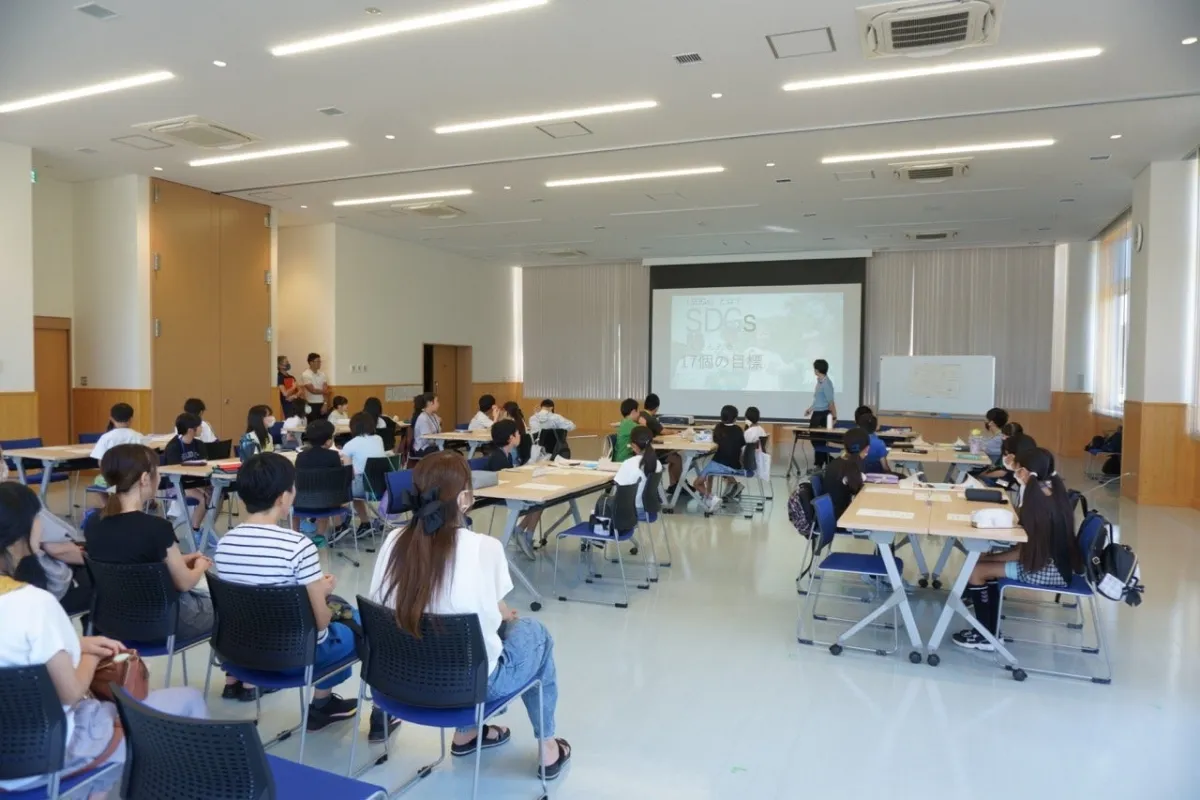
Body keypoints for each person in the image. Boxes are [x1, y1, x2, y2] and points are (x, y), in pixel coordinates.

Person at [368, 451, 570, 779]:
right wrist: (505, 617)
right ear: (464, 499)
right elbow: (498, 613)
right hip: (466, 686)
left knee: (457, 632)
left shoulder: (393, 539)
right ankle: (548, 749)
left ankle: (468, 734)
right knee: (535, 635)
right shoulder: (484, 547)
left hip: (395, 679)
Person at [0, 481, 208, 794]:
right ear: (22, 532)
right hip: (44, 757)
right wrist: (89, 655)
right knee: (188, 700)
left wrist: (77, 644)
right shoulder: (34, 603)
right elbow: (71, 694)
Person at [213, 453, 395, 741]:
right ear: (283, 497)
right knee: (367, 623)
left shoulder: (225, 543)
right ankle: (374, 713)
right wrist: (321, 592)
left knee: (340, 618)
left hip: (242, 651)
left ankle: (325, 704)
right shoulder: (298, 546)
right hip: (298, 655)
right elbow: (320, 623)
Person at [84, 445, 221, 665]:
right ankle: (237, 677)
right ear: (145, 479)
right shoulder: (157, 528)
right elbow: (184, 582)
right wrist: (200, 566)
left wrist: (180, 560)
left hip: (112, 620)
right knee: (229, 606)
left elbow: (130, 561)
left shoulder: (93, 523)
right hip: (166, 622)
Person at [953, 447, 1082, 651]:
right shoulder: (1050, 489)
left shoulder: (1038, 501)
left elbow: (1023, 552)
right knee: (981, 562)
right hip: (1054, 564)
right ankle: (991, 630)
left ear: (1026, 472)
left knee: (976, 570)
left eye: (1019, 469)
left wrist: (989, 560)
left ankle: (985, 637)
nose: (1015, 473)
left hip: (1047, 570)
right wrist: (990, 559)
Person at [484, 420, 540, 560]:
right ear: (510, 438)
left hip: (508, 489)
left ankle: (523, 533)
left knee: (540, 501)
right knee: (538, 501)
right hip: (500, 493)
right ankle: (522, 533)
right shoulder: (498, 458)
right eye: (517, 433)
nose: (520, 435)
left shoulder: (507, 454)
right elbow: (506, 480)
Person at [294, 419, 348, 539]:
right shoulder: (333, 456)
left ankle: (296, 535)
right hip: (327, 502)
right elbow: (337, 480)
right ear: (329, 441)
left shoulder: (301, 456)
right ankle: (320, 536)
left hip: (302, 502)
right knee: (326, 493)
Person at [162, 412, 211, 530]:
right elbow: (175, 471)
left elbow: (205, 464)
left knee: (219, 494)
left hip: (195, 482)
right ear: (190, 430)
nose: (201, 428)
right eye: (199, 426)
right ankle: (195, 529)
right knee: (205, 498)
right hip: (177, 484)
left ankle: (207, 527)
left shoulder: (199, 444)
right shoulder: (173, 446)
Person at [695, 405, 747, 512]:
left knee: (697, 483)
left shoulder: (719, 429)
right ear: (735, 418)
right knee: (711, 466)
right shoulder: (738, 430)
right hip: (736, 466)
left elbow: (715, 442)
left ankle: (711, 498)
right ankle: (710, 495)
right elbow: (741, 447)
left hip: (722, 466)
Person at [342, 412, 386, 533]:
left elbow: (348, 472)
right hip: (382, 486)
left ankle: (361, 522)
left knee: (345, 487)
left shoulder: (349, 445)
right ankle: (366, 522)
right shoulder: (379, 439)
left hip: (363, 489)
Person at [821, 427, 869, 519]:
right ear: (867, 449)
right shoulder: (852, 466)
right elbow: (859, 495)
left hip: (830, 514)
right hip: (842, 517)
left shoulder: (836, 462)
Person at [614, 426, 663, 510]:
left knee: (601, 506)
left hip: (631, 510)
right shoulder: (657, 463)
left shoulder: (629, 463)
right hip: (649, 509)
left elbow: (619, 489)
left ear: (633, 446)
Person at [803, 359, 838, 468]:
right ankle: (828, 461)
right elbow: (817, 400)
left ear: (817, 370)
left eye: (815, 368)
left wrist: (834, 417)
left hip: (823, 415)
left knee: (818, 440)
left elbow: (831, 402)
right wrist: (810, 409)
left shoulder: (827, 383)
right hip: (816, 413)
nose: (814, 370)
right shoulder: (819, 381)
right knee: (814, 439)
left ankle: (820, 463)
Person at [300, 353, 332, 423]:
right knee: (313, 424)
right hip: (311, 404)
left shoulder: (322, 374)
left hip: (323, 403)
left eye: (320, 361)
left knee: (323, 424)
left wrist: (325, 403)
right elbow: (313, 390)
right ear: (311, 362)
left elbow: (325, 389)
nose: (320, 363)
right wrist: (324, 391)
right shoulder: (305, 374)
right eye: (318, 361)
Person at [411, 393, 442, 459]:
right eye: (437, 401)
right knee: (444, 453)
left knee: (451, 451)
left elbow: (438, 432)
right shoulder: (423, 418)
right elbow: (427, 439)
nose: (438, 404)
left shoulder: (434, 416)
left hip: (433, 445)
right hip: (423, 448)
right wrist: (439, 442)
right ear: (430, 403)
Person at [277, 355, 303, 419]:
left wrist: (295, 396)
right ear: (279, 365)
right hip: (286, 405)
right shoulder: (279, 377)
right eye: (286, 362)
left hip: (295, 403)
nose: (288, 363)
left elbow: (300, 390)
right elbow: (285, 393)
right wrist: (293, 387)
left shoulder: (291, 377)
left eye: (288, 362)